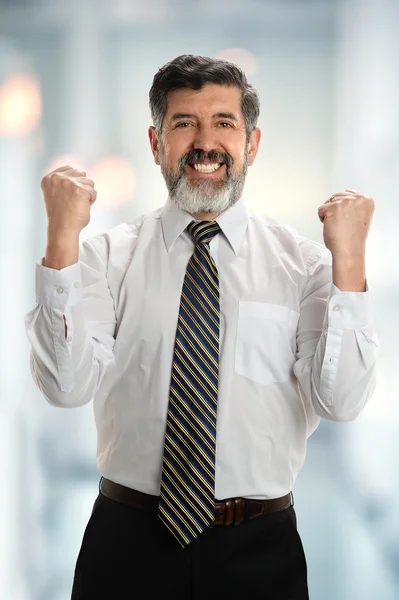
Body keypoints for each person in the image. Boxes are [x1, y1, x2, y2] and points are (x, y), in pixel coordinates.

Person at [24, 54, 378, 600]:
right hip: (126, 545)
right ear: (156, 143)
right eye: (184, 123)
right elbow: (65, 388)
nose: (204, 143)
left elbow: (342, 402)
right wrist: (61, 240)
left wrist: (350, 265)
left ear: (251, 145)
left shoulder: (306, 265)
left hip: (263, 550)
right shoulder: (106, 259)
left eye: (224, 123)